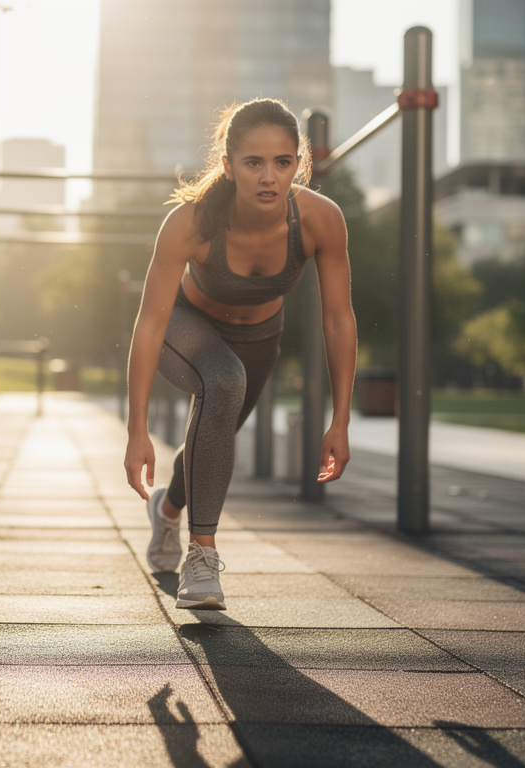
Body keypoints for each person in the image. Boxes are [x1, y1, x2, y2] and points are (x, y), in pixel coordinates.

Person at [124, 98, 357, 609]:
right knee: (223, 381)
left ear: (299, 163)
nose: (268, 177)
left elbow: (338, 319)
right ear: (228, 166)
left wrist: (340, 420)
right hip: (186, 326)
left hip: (259, 338)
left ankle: (168, 510)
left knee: (213, 437)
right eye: (253, 163)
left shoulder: (321, 220)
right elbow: (150, 321)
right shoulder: (190, 222)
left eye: (283, 162)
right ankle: (201, 559)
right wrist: (136, 428)